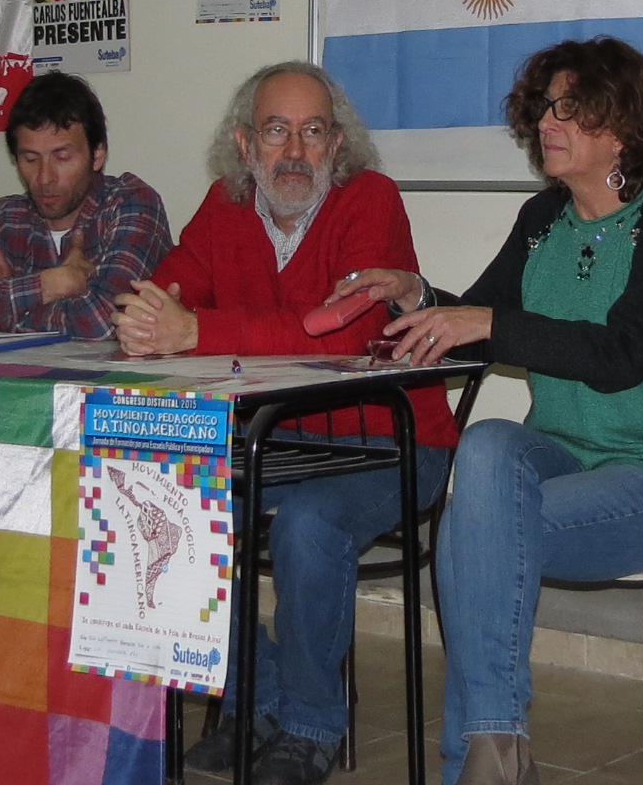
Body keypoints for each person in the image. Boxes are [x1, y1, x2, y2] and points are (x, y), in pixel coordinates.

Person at [333, 39, 643, 785]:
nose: (548, 122)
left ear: (622, 126)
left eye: (570, 108)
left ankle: (480, 763)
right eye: (545, 107)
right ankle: (494, 754)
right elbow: (480, 324)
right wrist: (417, 295)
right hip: (564, 456)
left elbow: (622, 354)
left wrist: (486, 321)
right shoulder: (543, 218)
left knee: (475, 535)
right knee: (488, 440)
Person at [115, 62, 459, 785]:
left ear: (338, 144)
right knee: (160, 501)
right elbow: (169, 286)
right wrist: (147, 317)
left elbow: (342, 334)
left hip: (393, 443)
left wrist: (194, 331)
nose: (295, 152)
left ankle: (311, 724)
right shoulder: (225, 205)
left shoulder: (371, 198)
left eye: (313, 131)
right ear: (245, 145)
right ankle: (256, 698)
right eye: (277, 131)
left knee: (308, 523)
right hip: (280, 442)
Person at [0, 71, 169, 339]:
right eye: (31, 159)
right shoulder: (10, 218)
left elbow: (101, 324)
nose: (45, 177)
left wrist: (7, 295)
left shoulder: (131, 204)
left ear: (97, 155)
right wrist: (55, 283)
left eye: (62, 157)